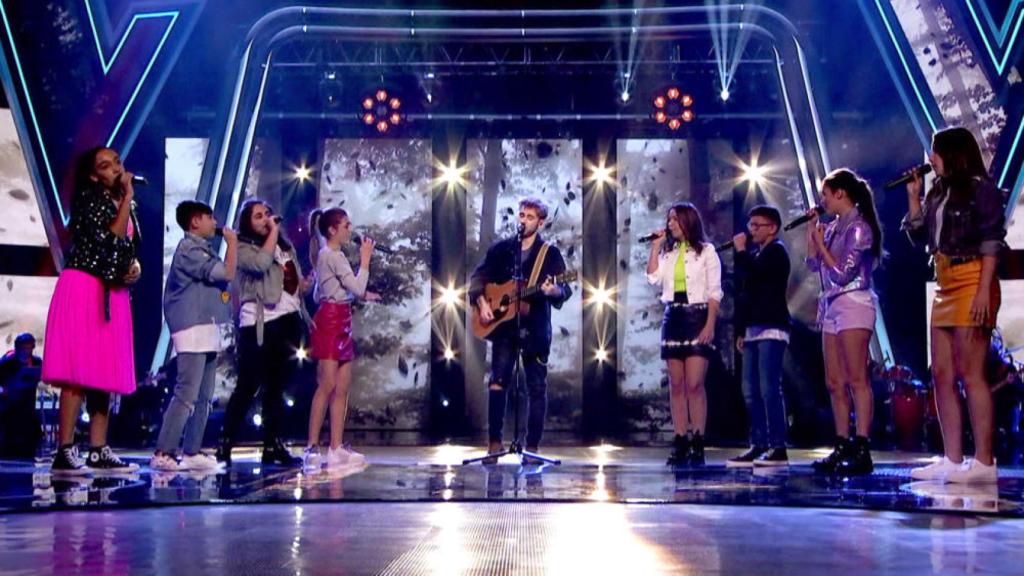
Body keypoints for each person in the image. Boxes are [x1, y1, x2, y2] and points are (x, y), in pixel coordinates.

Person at [904, 127, 1006, 483]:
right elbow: (921, 237)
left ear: (953, 154)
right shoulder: (939, 191)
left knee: (971, 373)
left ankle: (984, 462)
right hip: (944, 282)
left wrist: (983, 291)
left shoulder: (980, 189)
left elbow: (992, 241)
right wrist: (914, 198)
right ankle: (952, 458)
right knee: (941, 374)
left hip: (973, 278)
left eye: (935, 151)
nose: (930, 158)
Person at [41, 147, 142, 474]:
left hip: (112, 290)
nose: (115, 169)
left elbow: (126, 249)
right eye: (106, 166)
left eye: (117, 163)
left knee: (103, 372)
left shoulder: (122, 202)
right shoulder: (90, 200)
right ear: (94, 175)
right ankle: (65, 451)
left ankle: (98, 450)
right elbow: (109, 241)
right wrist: (127, 199)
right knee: (77, 372)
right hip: (85, 287)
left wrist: (134, 268)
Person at [470, 197, 572, 462]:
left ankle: (532, 448)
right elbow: (478, 278)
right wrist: (482, 303)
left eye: (530, 217)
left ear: (541, 222)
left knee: (536, 386)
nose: (524, 220)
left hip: (535, 329)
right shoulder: (502, 249)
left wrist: (554, 290)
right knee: (497, 380)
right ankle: (494, 444)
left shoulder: (549, 254)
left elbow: (564, 289)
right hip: (504, 329)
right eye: (522, 215)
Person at [217, 199, 311, 467]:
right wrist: (273, 233)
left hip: (288, 319)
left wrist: (303, 286)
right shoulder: (243, 247)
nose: (266, 219)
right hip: (259, 323)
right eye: (258, 216)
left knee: (277, 387)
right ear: (247, 223)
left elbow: (289, 278)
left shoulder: (283, 245)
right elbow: (260, 264)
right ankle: (226, 442)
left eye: (267, 213)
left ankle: (272, 444)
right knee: (248, 385)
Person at [805, 168, 883, 475]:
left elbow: (841, 273)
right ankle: (841, 443)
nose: (822, 200)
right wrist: (813, 235)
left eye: (825, 194)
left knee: (856, 378)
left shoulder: (859, 228)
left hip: (854, 302)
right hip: (831, 305)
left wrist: (822, 244)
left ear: (840, 193)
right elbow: (813, 264)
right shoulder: (834, 227)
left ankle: (862, 445)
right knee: (834, 381)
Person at [150, 201, 238, 472]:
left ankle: (191, 450)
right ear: (195, 221)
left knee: (204, 396)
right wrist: (232, 244)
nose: (216, 222)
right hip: (191, 328)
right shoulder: (189, 249)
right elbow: (226, 272)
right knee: (186, 393)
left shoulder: (203, 249)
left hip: (207, 328)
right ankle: (164, 452)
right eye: (210, 217)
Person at [303, 207, 380, 470]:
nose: (350, 229)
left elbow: (321, 292)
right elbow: (356, 288)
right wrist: (365, 260)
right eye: (346, 225)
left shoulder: (332, 256)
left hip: (342, 319)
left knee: (342, 386)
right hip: (330, 321)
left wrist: (346, 294)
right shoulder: (331, 255)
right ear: (332, 230)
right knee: (327, 384)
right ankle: (312, 447)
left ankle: (335, 447)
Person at [646, 202, 722, 466]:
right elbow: (653, 278)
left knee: (694, 384)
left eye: (675, 219)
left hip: (697, 316)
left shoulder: (706, 251)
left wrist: (710, 324)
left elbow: (714, 292)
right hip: (673, 317)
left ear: (688, 221)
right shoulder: (668, 253)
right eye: (669, 219)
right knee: (676, 384)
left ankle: (698, 440)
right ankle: (680, 439)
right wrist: (655, 247)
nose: (670, 224)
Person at [727, 205, 792, 468]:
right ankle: (758, 443)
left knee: (769, 388)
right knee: (749, 390)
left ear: (772, 228)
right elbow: (746, 293)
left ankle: (778, 446)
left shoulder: (777, 252)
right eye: (750, 225)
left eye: (757, 225)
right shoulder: (755, 255)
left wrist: (741, 251)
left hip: (772, 326)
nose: (751, 230)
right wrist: (741, 330)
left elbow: (756, 275)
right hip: (752, 329)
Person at [0, 333, 43, 460]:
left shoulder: (37, 362)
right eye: (23, 348)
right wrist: (3, 390)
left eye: (29, 348)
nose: (26, 351)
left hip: (28, 407)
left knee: (30, 434)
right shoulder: (7, 363)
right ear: (17, 348)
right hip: (9, 407)